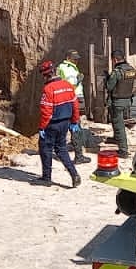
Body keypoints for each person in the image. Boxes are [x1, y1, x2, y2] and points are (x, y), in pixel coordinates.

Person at [36, 60, 82, 189]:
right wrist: (74, 121)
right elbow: (75, 105)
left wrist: (42, 127)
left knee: (45, 148)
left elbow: (47, 111)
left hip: (52, 124)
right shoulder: (68, 85)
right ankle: (74, 174)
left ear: (45, 75)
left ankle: (46, 177)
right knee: (61, 149)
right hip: (65, 122)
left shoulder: (48, 89)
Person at [55, 51, 90, 163]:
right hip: (72, 98)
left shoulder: (68, 67)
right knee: (75, 125)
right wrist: (78, 80)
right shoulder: (67, 68)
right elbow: (71, 83)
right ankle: (78, 156)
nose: (76, 61)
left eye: (77, 59)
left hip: (69, 99)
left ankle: (66, 148)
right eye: (74, 59)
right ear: (68, 58)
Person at [103, 51, 136, 157]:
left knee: (119, 125)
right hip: (128, 100)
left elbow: (109, 87)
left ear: (114, 60)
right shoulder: (131, 70)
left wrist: (107, 78)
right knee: (116, 120)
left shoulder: (117, 72)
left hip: (118, 101)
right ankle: (116, 138)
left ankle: (123, 150)